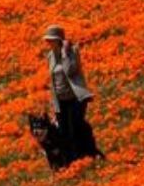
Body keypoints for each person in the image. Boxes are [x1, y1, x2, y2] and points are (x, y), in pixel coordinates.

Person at [43, 25, 105, 162]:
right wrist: (54, 107)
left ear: (59, 40)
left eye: (51, 40)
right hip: (60, 101)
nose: (48, 43)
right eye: (47, 40)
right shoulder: (50, 56)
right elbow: (52, 81)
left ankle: (87, 155)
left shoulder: (72, 51)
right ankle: (73, 161)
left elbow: (70, 70)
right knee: (64, 133)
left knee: (75, 129)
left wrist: (65, 53)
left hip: (75, 99)